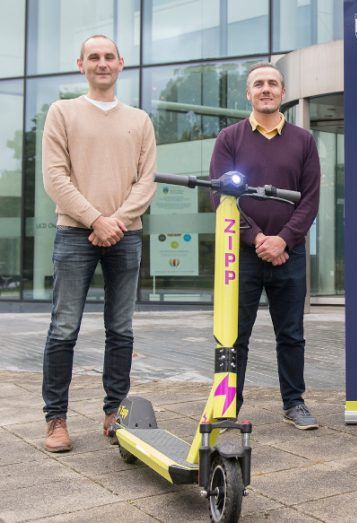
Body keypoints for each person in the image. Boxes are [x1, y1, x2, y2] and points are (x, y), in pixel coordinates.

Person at [41, 35, 157, 451]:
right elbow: (55, 177)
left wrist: (117, 222)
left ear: (121, 63)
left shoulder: (140, 119)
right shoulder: (62, 112)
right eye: (94, 57)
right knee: (63, 327)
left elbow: (146, 182)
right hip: (75, 233)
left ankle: (114, 411)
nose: (102, 63)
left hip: (126, 235)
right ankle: (56, 420)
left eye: (109, 57)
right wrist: (95, 219)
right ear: (81, 64)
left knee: (121, 327)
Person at [209, 62, 320, 429]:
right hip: (240, 254)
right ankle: (227, 406)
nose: (266, 89)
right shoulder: (230, 138)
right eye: (259, 84)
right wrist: (257, 238)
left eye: (273, 83)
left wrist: (283, 239)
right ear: (249, 93)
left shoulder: (303, 140)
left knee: (291, 334)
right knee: (234, 333)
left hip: (289, 253)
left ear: (283, 92)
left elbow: (310, 199)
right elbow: (219, 196)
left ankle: (294, 403)